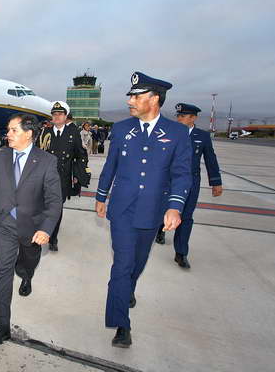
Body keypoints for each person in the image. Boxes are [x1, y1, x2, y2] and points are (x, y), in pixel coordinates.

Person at [95, 72, 192, 348]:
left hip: (152, 210)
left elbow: (182, 173)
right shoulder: (121, 129)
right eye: (131, 96)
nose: (130, 101)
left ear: (155, 99)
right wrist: (101, 195)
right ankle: (121, 325)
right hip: (122, 209)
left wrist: (175, 207)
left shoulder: (177, 133)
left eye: (137, 96)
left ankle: (129, 288)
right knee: (122, 265)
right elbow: (111, 164)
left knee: (137, 262)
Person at [0, 114, 62, 344]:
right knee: (2, 269)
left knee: (28, 261)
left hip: (32, 227)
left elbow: (54, 201)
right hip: (4, 223)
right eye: (8, 130)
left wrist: (46, 229)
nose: (8, 134)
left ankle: (26, 275)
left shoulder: (46, 161)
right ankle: (1, 325)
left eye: (13, 130)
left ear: (29, 134)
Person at [154, 103, 223, 269]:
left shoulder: (202, 136)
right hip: (169, 180)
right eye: (178, 116)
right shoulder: (169, 133)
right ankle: (160, 230)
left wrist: (216, 182)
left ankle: (181, 253)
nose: (179, 119)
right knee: (165, 209)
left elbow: (210, 159)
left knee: (186, 216)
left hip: (191, 182)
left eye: (183, 116)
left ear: (193, 118)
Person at [35, 101, 88, 252]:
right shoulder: (45, 133)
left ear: (65, 116)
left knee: (56, 209)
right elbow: (36, 154)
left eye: (60, 114)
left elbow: (81, 155)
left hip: (62, 179)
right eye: (54, 114)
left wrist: (78, 175)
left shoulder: (73, 133)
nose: (57, 116)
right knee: (41, 207)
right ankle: (41, 231)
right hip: (44, 178)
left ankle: (53, 238)